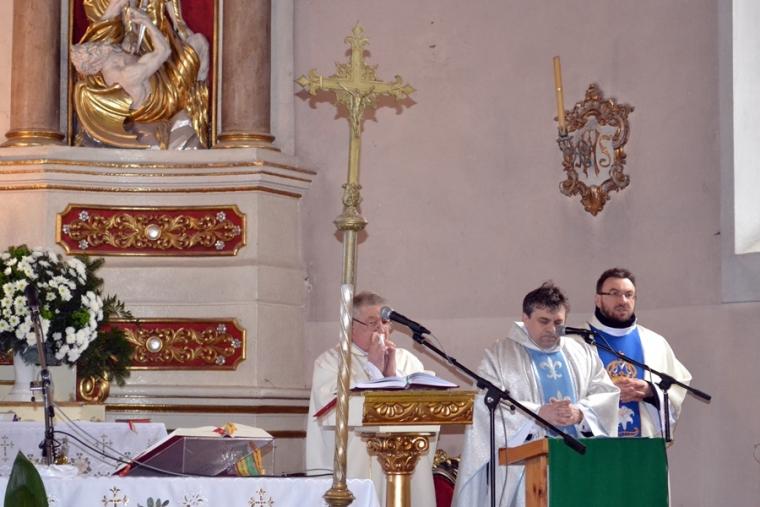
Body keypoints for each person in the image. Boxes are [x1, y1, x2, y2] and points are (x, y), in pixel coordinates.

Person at [453, 282, 619, 507]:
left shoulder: (582, 352)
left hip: (577, 465)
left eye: (558, 322)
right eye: (544, 321)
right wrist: (537, 414)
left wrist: (580, 413)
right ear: (525, 318)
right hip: (524, 471)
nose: (552, 329)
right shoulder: (500, 356)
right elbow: (484, 406)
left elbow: (606, 394)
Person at [305, 291, 436, 507]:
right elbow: (335, 412)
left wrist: (391, 376)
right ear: (350, 327)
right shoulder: (332, 363)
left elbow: (423, 412)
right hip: (356, 467)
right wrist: (374, 369)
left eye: (385, 322)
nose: (381, 329)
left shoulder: (407, 361)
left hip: (406, 465)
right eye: (372, 322)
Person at [71, 0, 209, 148]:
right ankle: (194, 98)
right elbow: (164, 51)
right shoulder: (124, 74)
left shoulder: (110, 53)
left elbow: (109, 18)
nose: (96, 45)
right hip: (169, 95)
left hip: (157, 69)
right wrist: (146, 22)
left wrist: (177, 23)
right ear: (94, 65)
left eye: (91, 47)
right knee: (199, 43)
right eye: (92, 51)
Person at [588, 267, 692, 438]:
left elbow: (676, 389)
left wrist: (651, 391)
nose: (623, 300)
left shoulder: (654, 343)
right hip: (593, 447)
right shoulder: (577, 342)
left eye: (629, 295)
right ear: (598, 300)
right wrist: (608, 394)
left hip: (644, 445)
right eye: (614, 293)